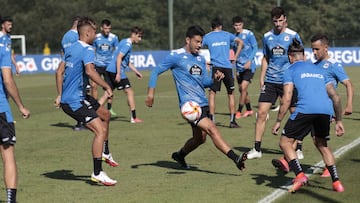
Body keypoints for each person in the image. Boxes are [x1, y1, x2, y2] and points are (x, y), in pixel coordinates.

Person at [145, 25, 247, 171]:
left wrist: (215, 80)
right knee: (212, 128)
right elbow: (155, 72)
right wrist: (150, 93)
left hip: (203, 103)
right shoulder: (176, 56)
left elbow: (204, 82)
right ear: (188, 40)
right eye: (197, 42)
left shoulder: (200, 58)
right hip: (190, 106)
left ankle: (180, 155)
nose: (200, 45)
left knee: (200, 139)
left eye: (201, 42)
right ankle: (235, 157)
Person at [271, 39, 345, 193]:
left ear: (290, 57)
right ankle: (337, 182)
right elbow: (336, 97)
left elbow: (287, 98)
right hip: (325, 110)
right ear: (304, 56)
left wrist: (278, 120)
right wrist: (339, 121)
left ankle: (299, 175)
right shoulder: (319, 70)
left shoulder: (290, 70)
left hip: (305, 110)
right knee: (321, 144)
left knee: (285, 142)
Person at [55, 16, 118, 186]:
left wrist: (59, 94)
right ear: (87, 33)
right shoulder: (87, 49)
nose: (96, 35)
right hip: (75, 101)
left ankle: (105, 152)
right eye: (94, 31)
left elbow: (59, 72)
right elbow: (90, 71)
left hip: (76, 97)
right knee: (99, 131)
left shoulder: (71, 48)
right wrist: (106, 85)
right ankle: (97, 172)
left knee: (105, 115)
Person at [247, 7, 303, 159]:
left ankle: (298, 147)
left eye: (280, 20)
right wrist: (262, 77)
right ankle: (257, 149)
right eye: (275, 21)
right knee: (261, 113)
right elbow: (266, 57)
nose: (278, 24)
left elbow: (300, 56)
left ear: (285, 19)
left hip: (288, 81)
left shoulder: (293, 35)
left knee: (295, 113)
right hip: (271, 80)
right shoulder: (267, 37)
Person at [0, 34, 30, 202]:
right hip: (1, 110)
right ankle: (11, 200)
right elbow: (8, 80)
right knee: (8, 155)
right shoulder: (2, 48)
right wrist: (20, 105)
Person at [202, 17, 243, 128]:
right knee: (231, 94)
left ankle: (212, 120)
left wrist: (203, 62)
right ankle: (232, 121)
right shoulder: (227, 34)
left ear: (212, 27)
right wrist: (235, 56)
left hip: (216, 68)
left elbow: (197, 47)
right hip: (228, 68)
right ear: (220, 26)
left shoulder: (208, 36)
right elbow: (240, 42)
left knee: (212, 94)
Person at [106, 26, 143, 123]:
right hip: (116, 71)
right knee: (130, 92)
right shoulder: (128, 44)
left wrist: (136, 71)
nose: (140, 39)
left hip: (109, 69)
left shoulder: (123, 41)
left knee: (107, 93)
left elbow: (126, 61)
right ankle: (133, 118)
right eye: (139, 36)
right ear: (134, 35)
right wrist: (118, 73)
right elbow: (119, 57)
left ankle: (94, 113)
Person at [55, 16, 87, 131]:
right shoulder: (76, 36)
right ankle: (81, 122)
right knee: (80, 95)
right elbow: (79, 51)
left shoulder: (65, 37)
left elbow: (63, 52)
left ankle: (81, 121)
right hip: (77, 69)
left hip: (68, 67)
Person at [231, 16, 258, 119]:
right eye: (236, 25)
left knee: (243, 87)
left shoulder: (249, 34)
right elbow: (235, 53)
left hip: (249, 67)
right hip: (239, 67)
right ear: (233, 26)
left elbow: (255, 48)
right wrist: (237, 69)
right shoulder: (234, 38)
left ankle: (238, 111)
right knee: (242, 90)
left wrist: (249, 61)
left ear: (242, 24)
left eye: (239, 25)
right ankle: (249, 110)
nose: (238, 27)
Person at [91, 19, 119, 116]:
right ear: (101, 28)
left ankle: (109, 109)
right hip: (97, 65)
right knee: (93, 86)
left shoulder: (114, 38)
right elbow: (93, 51)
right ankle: (94, 107)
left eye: (109, 29)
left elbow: (117, 51)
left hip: (109, 66)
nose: (108, 31)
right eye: (106, 28)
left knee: (109, 88)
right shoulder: (96, 37)